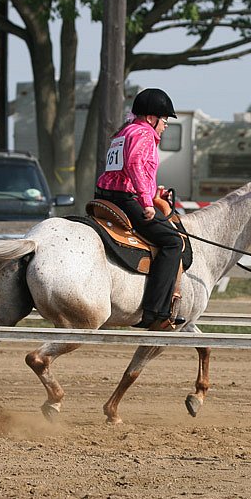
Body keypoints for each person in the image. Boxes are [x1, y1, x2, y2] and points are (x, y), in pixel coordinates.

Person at [95, 88, 182, 329]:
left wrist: (154, 191)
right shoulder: (143, 134)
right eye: (165, 120)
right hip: (126, 198)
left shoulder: (124, 132)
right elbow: (134, 165)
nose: (165, 125)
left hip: (105, 195)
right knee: (173, 242)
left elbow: (133, 169)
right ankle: (155, 312)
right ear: (152, 118)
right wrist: (146, 201)